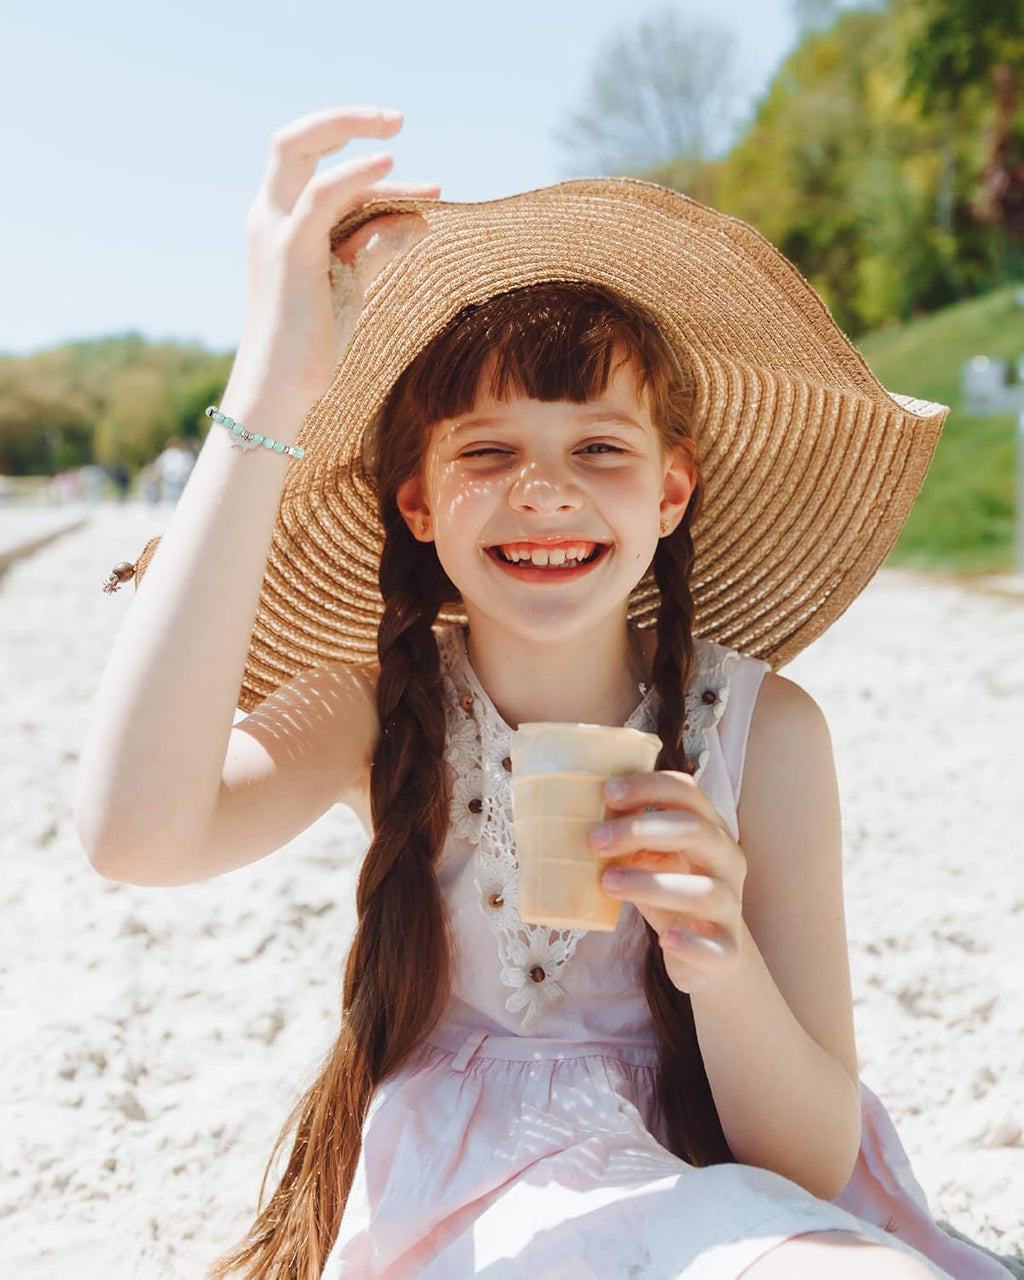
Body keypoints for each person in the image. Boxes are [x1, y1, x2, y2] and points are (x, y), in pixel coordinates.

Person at [76, 107, 1019, 1280]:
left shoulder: (762, 732)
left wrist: (715, 953)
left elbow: (809, 1161)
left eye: (599, 450)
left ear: (673, 489)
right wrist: (268, 390)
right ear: (415, 502)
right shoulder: (376, 706)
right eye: (484, 453)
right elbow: (133, 832)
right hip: (474, 1199)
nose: (544, 492)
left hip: (730, 1193)